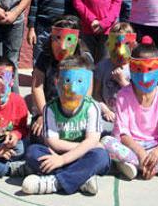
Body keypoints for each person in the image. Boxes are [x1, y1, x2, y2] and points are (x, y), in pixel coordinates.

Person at [101, 42, 158, 180]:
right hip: (131, 146)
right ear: (131, 69)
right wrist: (140, 153)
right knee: (107, 141)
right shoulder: (124, 95)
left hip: (154, 145)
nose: (144, 77)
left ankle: (135, 166)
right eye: (139, 70)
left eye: (150, 70)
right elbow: (122, 132)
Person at [22, 55, 110, 195]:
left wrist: (64, 160)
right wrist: (86, 146)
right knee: (33, 152)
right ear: (58, 82)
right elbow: (54, 143)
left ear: (87, 83)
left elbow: (91, 141)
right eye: (67, 81)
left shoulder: (92, 107)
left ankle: (54, 182)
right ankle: (82, 178)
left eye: (79, 81)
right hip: (59, 153)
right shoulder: (50, 109)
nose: (72, 89)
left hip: (82, 155)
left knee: (101, 156)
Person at [30, 16, 85, 138]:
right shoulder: (45, 57)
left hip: (73, 114)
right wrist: (45, 115)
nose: (63, 46)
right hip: (47, 109)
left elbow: (86, 93)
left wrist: (69, 117)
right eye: (57, 38)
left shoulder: (83, 60)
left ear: (76, 41)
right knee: (38, 134)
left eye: (69, 39)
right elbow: (37, 87)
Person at [94, 22, 136, 132]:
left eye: (126, 45)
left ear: (132, 46)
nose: (120, 51)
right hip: (108, 116)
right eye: (115, 45)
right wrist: (105, 111)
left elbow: (139, 98)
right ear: (108, 45)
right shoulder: (102, 66)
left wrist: (122, 81)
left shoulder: (136, 68)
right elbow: (96, 94)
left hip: (130, 117)